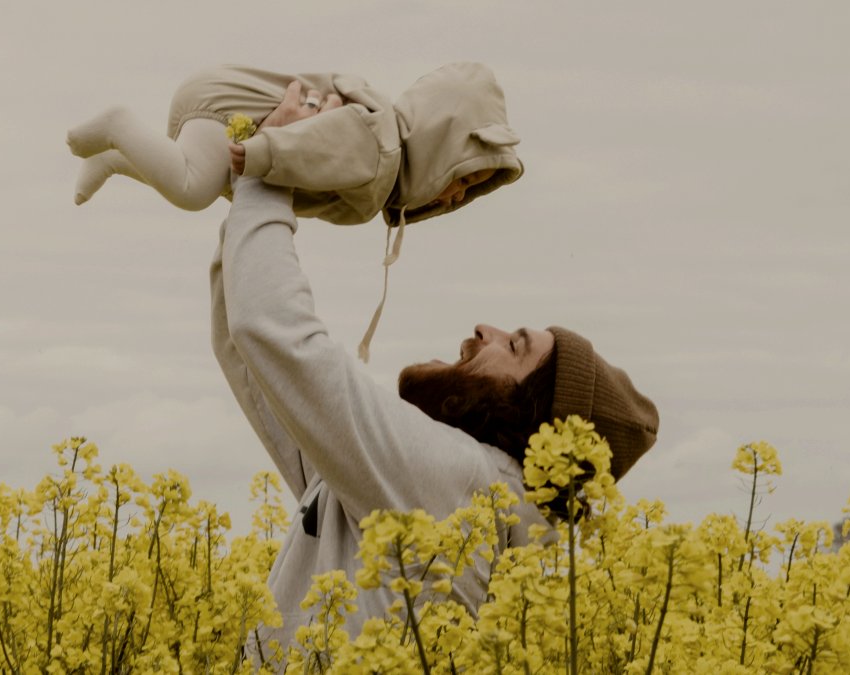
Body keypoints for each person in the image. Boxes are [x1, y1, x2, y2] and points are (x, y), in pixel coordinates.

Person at [210, 90, 660, 662]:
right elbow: (255, 355)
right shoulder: (436, 492)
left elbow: (280, 339)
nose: (485, 329)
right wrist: (254, 192)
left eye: (514, 346)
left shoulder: (460, 483)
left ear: (527, 417)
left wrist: (269, 170)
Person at [66, 62, 523, 228]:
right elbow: (322, 143)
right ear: (442, 145)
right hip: (230, 110)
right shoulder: (379, 145)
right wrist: (266, 152)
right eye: (465, 176)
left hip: (231, 113)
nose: (458, 194)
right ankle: (116, 125)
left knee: (191, 177)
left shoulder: (384, 170)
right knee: (191, 190)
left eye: (468, 190)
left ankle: (114, 159)